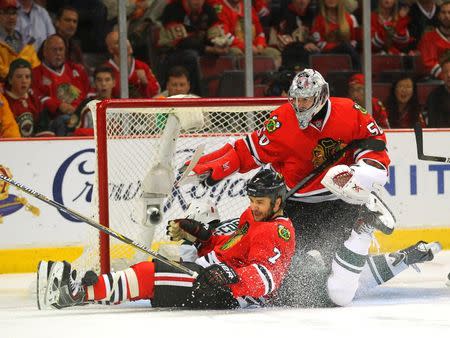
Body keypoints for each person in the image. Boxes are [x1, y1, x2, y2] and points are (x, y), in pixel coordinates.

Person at [37, 170, 296, 310]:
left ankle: (76, 293)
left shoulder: (277, 232)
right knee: (153, 272)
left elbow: (267, 278)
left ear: (278, 201)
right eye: (251, 200)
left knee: (152, 274)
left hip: (228, 295)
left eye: (260, 202)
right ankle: (89, 290)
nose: (254, 207)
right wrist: (205, 237)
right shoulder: (251, 217)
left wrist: (231, 278)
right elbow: (229, 248)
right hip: (213, 277)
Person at [158, 0, 229, 96]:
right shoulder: (173, 9)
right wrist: (209, 49)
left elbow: (215, 33)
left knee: (230, 54)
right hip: (172, 53)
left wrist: (220, 44)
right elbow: (182, 42)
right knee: (191, 56)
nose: (198, 2)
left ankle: (221, 96)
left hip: (200, 50)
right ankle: (194, 94)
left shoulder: (208, 9)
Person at [32, 34, 90, 136]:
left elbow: (89, 92)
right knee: (65, 121)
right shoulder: (36, 73)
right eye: (54, 50)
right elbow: (36, 97)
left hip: (82, 115)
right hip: (54, 120)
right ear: (45, 52)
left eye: (61, 49)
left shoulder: (78, 70)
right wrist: (58, 106)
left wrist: (83, 109)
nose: (58, 53)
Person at [104, 30, 160, 98]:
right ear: (111, 50)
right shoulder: (105, 70)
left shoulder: (142, 66)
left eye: (125, 39)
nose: (125, 44)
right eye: (118, 42)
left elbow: (156, 92)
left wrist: (145, 83)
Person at [308, 0, 361, 69]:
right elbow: (319, 44)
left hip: (347, 55)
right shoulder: (318, 20)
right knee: (345, 46)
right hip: (327, 55)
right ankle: (360, 70)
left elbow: (354, 41)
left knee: (347, 47)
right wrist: (339, 46)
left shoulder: (349, 18)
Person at [71, 65, 117, 136]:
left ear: (114, 83)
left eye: (107, 80)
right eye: (99, 80)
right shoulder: (86, 105)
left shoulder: (120, 106)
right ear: (94, 83)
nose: (103, 84)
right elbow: (76, 132)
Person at [0, 0, 40, 80]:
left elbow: (37, 69)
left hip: (27, 87)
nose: (11, 17)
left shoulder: (26, 41)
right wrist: (22, 77)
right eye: (6, 13)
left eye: (14, 13)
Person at [3, 58, 42, 137]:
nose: (24, 81)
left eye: (27, 77)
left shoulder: (34, 98)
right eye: (19, 77)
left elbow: (41, 127)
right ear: (10, 80)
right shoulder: (4, 100)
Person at [418, 0, 450, 80]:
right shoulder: (428, 37)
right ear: (438, 15)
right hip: (436, 82)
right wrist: (446, 77)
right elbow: (429, 63)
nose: (446, 16)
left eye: (449, 12)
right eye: (443, 12)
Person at [426, 56, 450, 127]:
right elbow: (433, 125)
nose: (449, 75)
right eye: (445, 72)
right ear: (442, 75)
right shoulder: (434, 96)